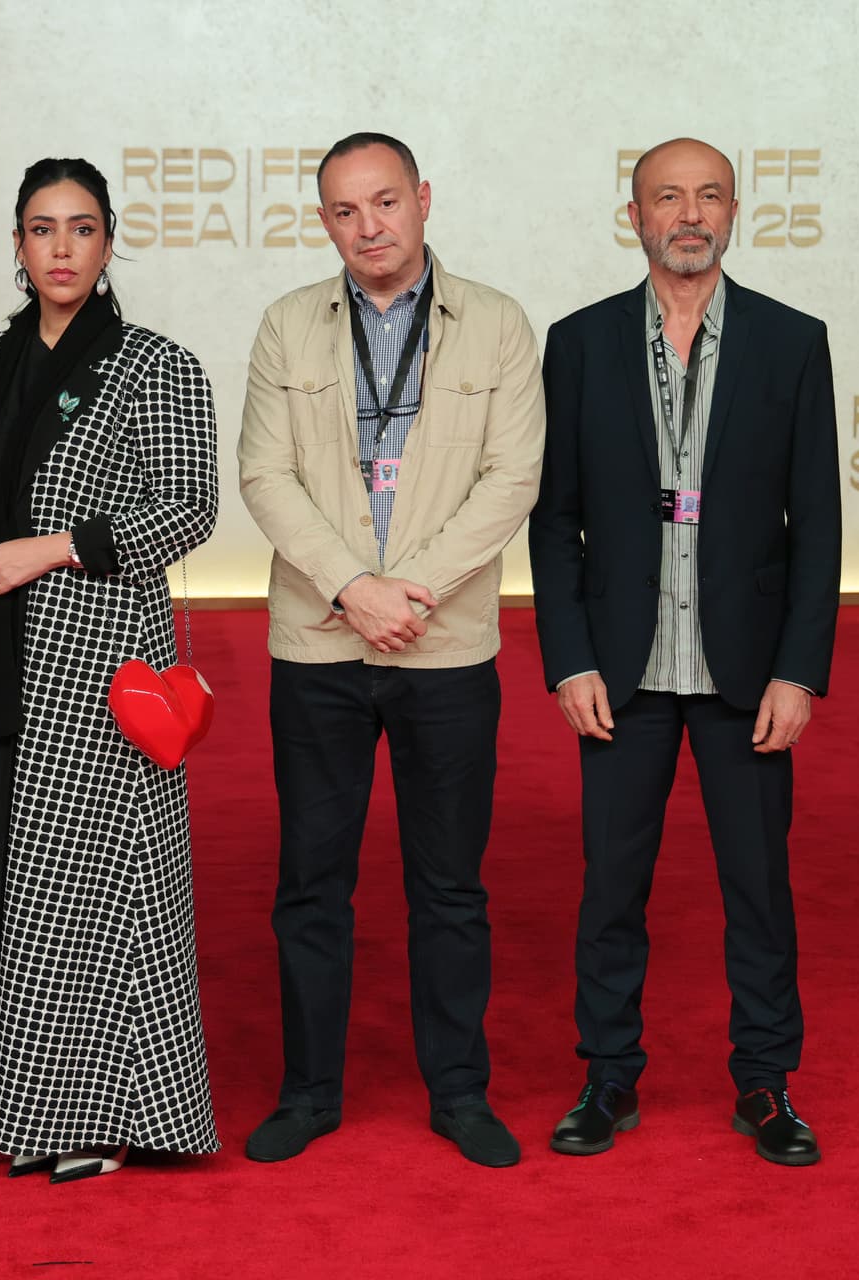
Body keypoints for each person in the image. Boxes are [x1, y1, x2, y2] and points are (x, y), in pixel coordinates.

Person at [526, 137, 841, 1166]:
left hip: (745, 674)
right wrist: (567, 656)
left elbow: (819, 526)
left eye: (709, 195)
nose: (689, 213)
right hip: (620, 671)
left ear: (737, 210)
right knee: (610, 884)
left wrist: (799, 669)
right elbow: (554, 518)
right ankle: (608, 1076)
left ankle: (766, 1080)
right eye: (669, 196)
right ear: (636, 214)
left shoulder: (794, 343)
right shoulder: (577, 344)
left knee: (759, 885)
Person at [236, 133, 544, 1168]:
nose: (368, 226)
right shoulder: (288, 325)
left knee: (449, 885)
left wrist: (406, 592)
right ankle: (310, 1090)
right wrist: (352, 589)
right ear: (324, 221)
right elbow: (265, 475)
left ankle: (459, 1090)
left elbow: (511, 479)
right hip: (320, 645)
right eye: (343, 211)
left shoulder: (497, 323)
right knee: (310, 882)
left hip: (444, 643)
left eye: (384, 203)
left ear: (422, 199)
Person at [0, 157, 220, 1183]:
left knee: (89, 891)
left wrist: (56, 545)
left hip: (99, 660)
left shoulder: (156, 365)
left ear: (108, 240)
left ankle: (100, 1114)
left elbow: (189, 505)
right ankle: (8, 1108)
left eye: (81, 228)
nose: (60, 248)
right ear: (17, 244)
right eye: (41, 229)